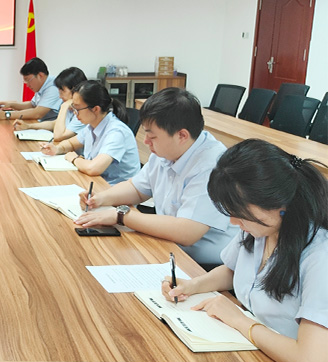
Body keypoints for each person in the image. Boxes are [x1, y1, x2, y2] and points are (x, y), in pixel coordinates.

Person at [162, 139, 328, 362]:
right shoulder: (261, 227)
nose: (233, 221)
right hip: (258, 354)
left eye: (239, 213)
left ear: (278, 204)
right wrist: (193, 285)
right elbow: (233, 270)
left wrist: (240, 321)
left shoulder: (319, 256)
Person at [76, 87, 237, 267]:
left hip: (203, 265)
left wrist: (121, 216)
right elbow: (137, 189)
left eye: (152, 136)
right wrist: (100, 198)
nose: (146, 142)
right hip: (167, 245)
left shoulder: (211, 164)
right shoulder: (168, 150)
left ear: (182, 135)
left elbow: (187, 232)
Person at [40, 80, 140, 185]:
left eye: (78, 108)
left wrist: (74, 159)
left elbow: (93, 168)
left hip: (115, 189)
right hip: (96, 182)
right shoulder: (91, 126)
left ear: (95, 109)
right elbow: (71, 143)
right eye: (73, 107)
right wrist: (57, 149)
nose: (75, 113)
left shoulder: (116, 132)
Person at [12, 66, 87, 143]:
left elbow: (58, 136)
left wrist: (63, 107)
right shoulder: (71, 107)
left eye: (62, 92)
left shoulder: (84, 112)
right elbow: (54, 123)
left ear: (75, 90)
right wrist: (28, 126)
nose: (60, 96)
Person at [0, 57, 62, 122]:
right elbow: (32, 105)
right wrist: (11, 105)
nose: (27, 85)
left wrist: (7, 115)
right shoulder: (43, 85)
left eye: (28, 80)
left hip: (53, 129)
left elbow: (37, 113)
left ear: (40, 75)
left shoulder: (53, 87)